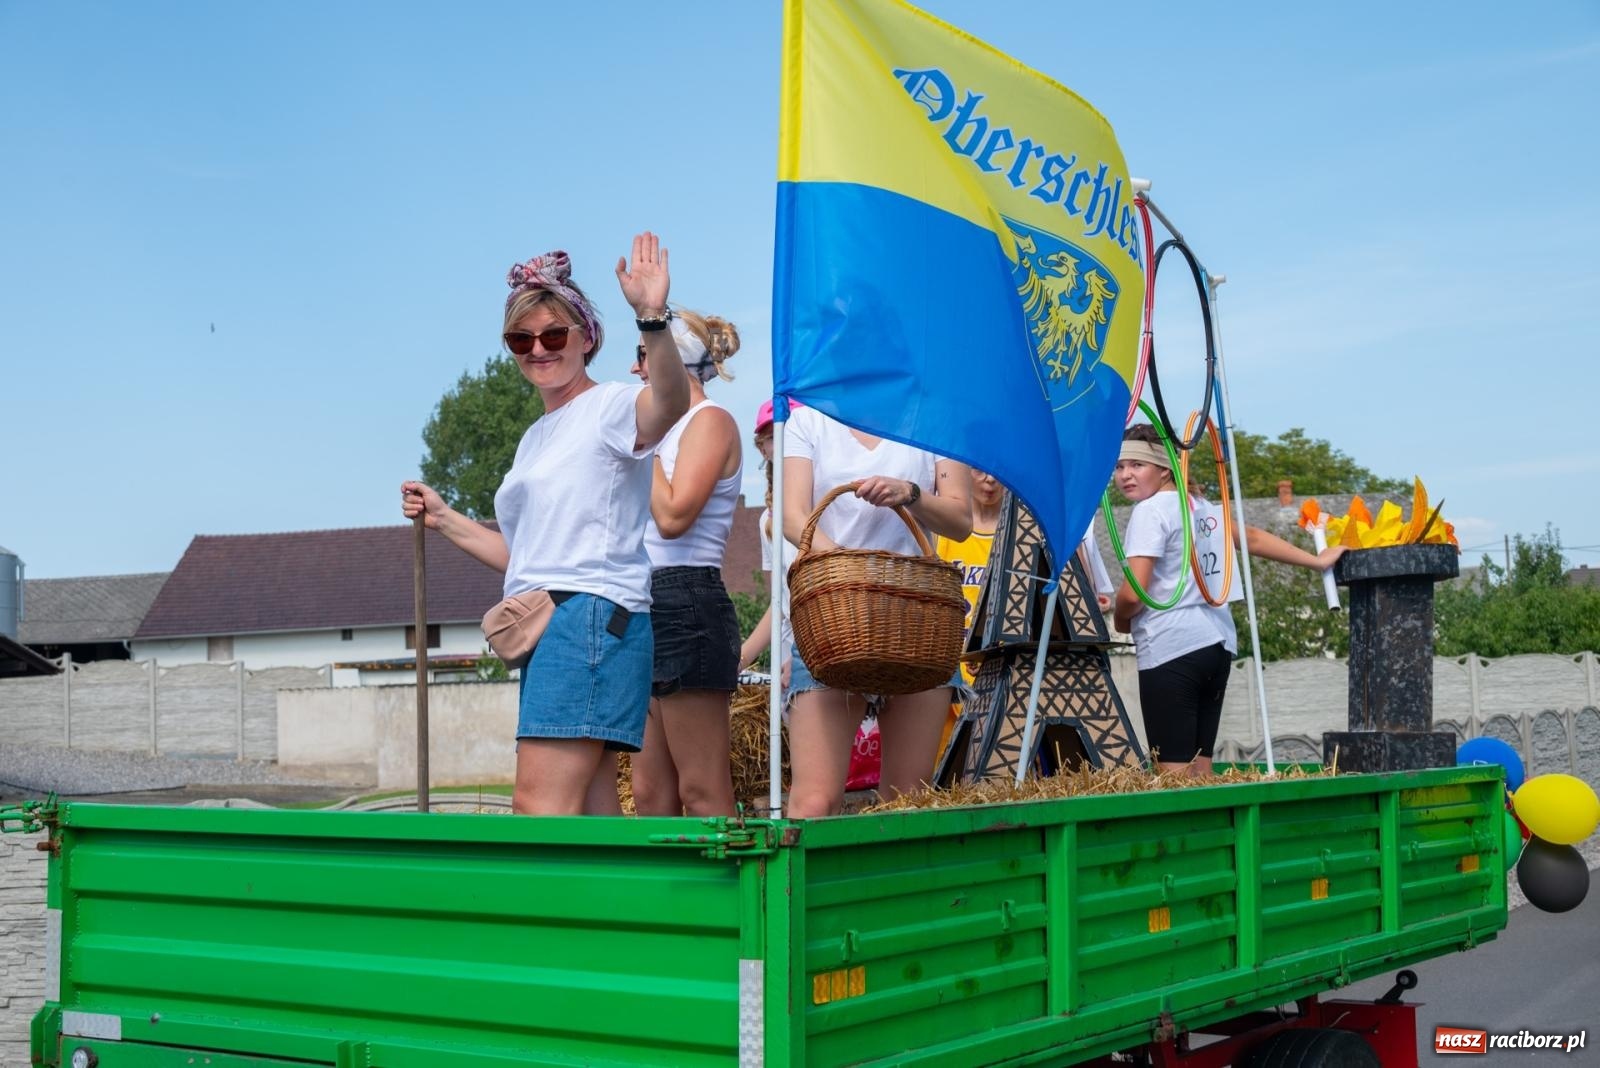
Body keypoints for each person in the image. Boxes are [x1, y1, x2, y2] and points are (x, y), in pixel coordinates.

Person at [401, 235, 690, 815]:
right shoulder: (535, 437)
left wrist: (651, 318)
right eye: (521, 339)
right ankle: (620, 907)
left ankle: (547, 908)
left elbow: (670, 403)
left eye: (553, 335)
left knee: (539, 806)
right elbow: (526, 555)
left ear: (586, 338)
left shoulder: (607, 405)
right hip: (554, 618)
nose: (538, 349)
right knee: (591, 808)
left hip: (587, 616)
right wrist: (444, 519)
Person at [1111, 423, 1344, 777]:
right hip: (1216, 645)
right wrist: (1316, 561)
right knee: (1201, 773)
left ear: (1163, 468)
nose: (1126, 475)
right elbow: (1251, 537)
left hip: (1171, 645)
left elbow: (1135, 592)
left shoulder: (1151, 511)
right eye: (1119, 466)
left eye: (1136, 465)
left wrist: (1120, 618)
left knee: (1173, 777)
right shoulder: (1200, 506)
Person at [782, 406, 973, 817]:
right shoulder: (808, 419)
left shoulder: (935, 413)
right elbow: (793, 517)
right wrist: (846, 569)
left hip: (916, 617)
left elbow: (960, 520)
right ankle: (805, 882)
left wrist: (912, 493)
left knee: (906, 801)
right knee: (815, 801)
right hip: (833, 616)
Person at [627, 309, 744, 817]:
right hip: (642, 599)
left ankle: (729, 897)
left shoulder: (710, 421)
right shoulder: (665, 430)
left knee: (701, 790)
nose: (635, 370)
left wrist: (640, 449)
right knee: (651, 795)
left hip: (686, 599)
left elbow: (674, 515)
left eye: (642, 355)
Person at [738, 400, 796, 690]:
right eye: (773, 436)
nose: (784, 441)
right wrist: (740, 658)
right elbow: (779, 603)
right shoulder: (768, 521)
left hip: (833, 649)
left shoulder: (831, 505)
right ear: (762, 448)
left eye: (791, 430)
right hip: (790, 658)